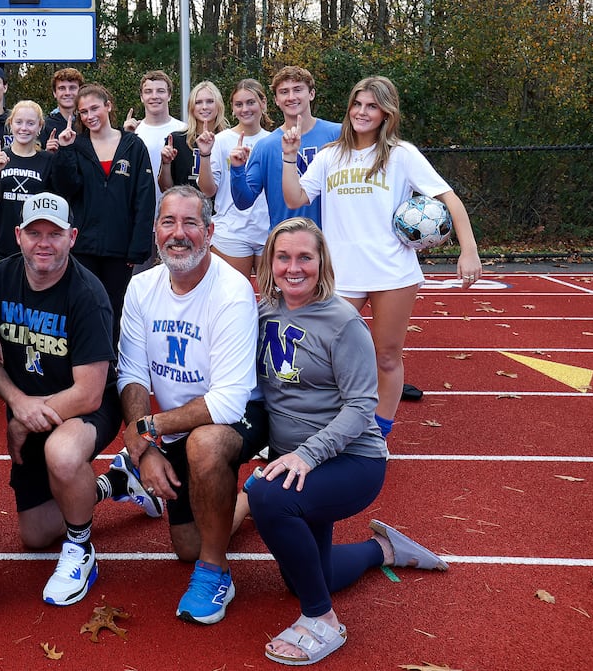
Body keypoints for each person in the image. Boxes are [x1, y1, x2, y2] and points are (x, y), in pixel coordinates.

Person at [249, 217, 448, 665]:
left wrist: (305, 453)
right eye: (283, 257)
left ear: (322, 262)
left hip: (351, 462)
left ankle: (322, 621)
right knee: (301, 577)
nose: (293, 267)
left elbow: (362, 408)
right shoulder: (263, 311)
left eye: (305, 257)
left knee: (268, 498)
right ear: (270, 262)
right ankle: (385, 549)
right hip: (298, 461)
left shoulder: (343, 322)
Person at [280, 75, 483, 429]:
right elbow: (295, 198)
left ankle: (378, 432)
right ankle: (324, 424)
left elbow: (448, 198)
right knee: (320, 352)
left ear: (386, 113)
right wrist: (288, 156)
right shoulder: (331, 156)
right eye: (357, 104)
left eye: (372, 106)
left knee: (386, 356)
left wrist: (469, 250)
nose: (362, 112)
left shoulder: (402, 155)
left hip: (392, 272)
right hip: (341, 273)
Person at [109, 185, 266, 625]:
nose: (179, 234)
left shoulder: (232, 292)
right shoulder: (141, 288)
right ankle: (247, 500)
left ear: (210, 231)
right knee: (187, 545)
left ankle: (216, 574)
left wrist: (146, 430)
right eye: (168, 222)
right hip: (174, 421)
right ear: (156, 230)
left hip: (241, 415)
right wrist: (148, 448)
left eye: (190, 223)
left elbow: (229, 400)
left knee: (205, 446)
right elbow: (133, 374)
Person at [0, 193, 120, 606]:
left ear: (72, 237)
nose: (44, 242)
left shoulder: (88, 295)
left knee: (61, 454)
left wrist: (23, 418)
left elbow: (89, 392)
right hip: (31, 401)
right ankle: (117, 482)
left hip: (87, 407)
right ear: (18, 235)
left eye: (55, 234)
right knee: (36, 535)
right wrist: (18, 403)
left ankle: (81, 549)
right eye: (35, 232)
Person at [50, 84, 154, 342]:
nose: (89, 116)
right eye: (83, 112)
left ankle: (111, 368)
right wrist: (64, 151)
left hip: (120, 248)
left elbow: (144, 197)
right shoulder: (77, 145)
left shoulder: (133, 145)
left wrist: (138, 246)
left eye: (94, 108)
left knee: (114, 308)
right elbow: (66, 188)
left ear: (108, 105)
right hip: (84, 245)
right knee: (84, 306)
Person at [230, 66, 340, 228]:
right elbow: (243, 201)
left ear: (311, 94)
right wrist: (237, 169)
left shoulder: (338, 135)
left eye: (297, 90)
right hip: (285, 242)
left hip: (331, 240)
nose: (291, 97)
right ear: (276, 100)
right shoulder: (266, 146)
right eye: (284, 92)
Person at [199, 79, 274, 279]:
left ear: (263, 103)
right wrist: (204, 155)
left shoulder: (274, 140)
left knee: (273, 299)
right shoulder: (221, 140)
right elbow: (207, 191)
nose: (245, 109)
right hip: (231, 232)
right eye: (239, 104)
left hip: (268, 231)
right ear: (232, 108)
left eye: (251, 102)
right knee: (230, 296)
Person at [0, 100, 54, 264]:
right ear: (10, 124)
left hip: (35, 250)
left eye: (30, 123)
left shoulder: (48, 160)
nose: (24, 128)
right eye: (19, 122)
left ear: (39, 127)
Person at [159, 81, 227, 192]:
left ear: (219, 105)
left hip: (220, 208)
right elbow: (166, 188)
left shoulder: (228, 139)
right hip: (184, 207)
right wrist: (165, 164)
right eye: (198, 102)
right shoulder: (177, 140)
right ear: (191, 107)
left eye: (210, 101)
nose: (204, 107)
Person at [132, 70, 187, 208]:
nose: (154, 96)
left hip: (177, 213)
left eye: (160, 91)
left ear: (169, 95)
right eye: (148, 91)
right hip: (143, 214)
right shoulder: (133, 133)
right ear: (141, 96)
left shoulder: (184, 131)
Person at [43, 67, 84, 140]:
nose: (67, 93)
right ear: (55, 93)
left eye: (72, 88)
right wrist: (47, 151)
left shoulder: (88, 122)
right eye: (62, 88)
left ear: (80, 91)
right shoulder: (45, 125)